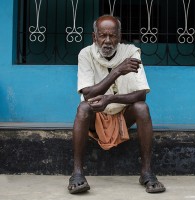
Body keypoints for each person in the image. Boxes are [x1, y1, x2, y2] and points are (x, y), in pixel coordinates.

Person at [67, 15, 166, 194]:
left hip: (122, 115)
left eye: (112, 36)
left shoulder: (131, 52)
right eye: (102, 35)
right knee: (82, 108)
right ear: (94, 37)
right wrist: (117, 71)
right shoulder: (86, 54)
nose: (107, 41)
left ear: (119, 37)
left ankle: (147, 173)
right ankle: (77, 174)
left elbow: (142, 94)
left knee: (142, 108)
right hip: (95, 117)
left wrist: (110, 99)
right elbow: (88, 93)